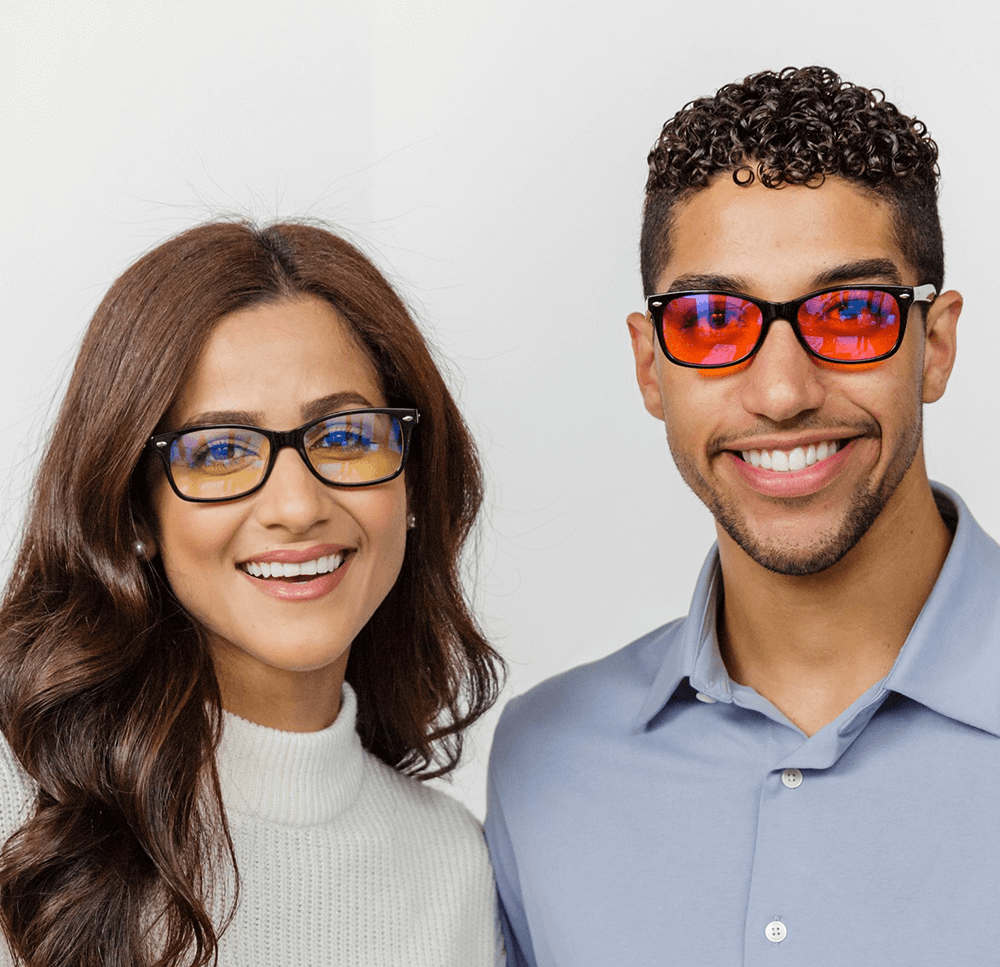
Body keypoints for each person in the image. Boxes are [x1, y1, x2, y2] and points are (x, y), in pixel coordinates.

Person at [485, 66, 998, 965]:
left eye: (851, 313)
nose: (783, 392)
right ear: (651, 367)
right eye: (714, 319)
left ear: (936, 346)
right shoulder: (545, 764)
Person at [0, 221, 505, 966]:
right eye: (221, 452)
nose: (297, 507)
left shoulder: (451, 866)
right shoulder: (24, 812)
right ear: (136, 511)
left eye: (345, 436)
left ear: (411, 482)